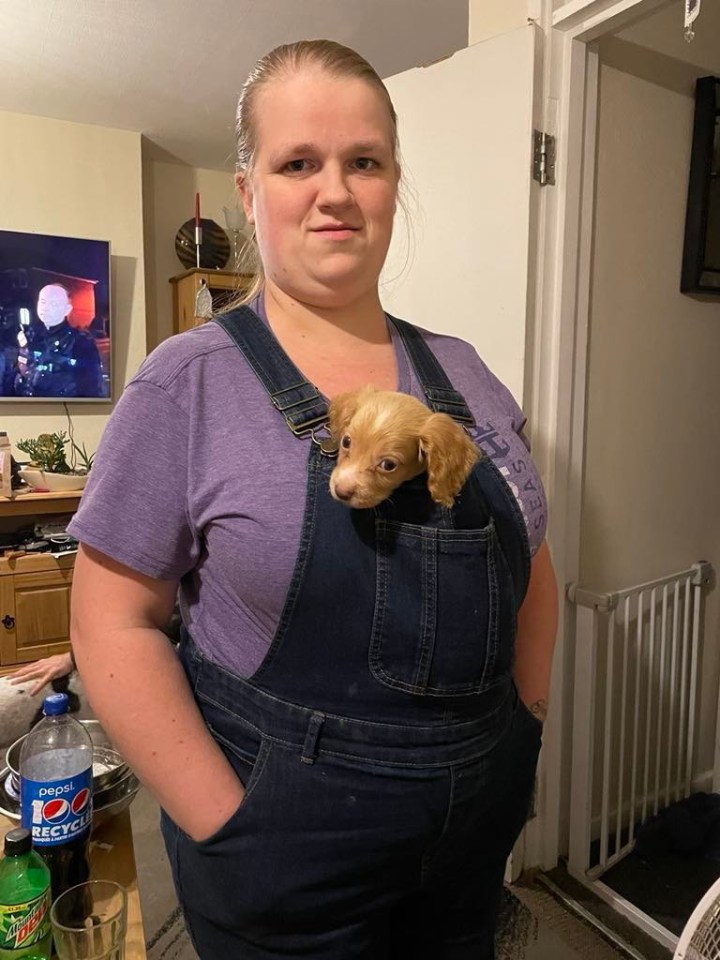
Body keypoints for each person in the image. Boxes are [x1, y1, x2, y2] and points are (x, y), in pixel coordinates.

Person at [68, 39, 558, 959]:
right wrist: (227, 826)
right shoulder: (187, 384)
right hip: (283, 863)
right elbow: (109, 627)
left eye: (363, 162)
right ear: (251, 193)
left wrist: (525, 727)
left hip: (471, 837)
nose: (335, 190)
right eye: (299, 162)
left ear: (392, 184)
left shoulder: (467, 374)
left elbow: (531, 563)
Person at [14, 283, 105, 398]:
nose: (45, 308)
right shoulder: (29, 337)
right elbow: (16, 374)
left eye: (53, 304)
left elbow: (93, 387)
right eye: (42, 302)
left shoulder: (81, 342)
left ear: (67, 309)